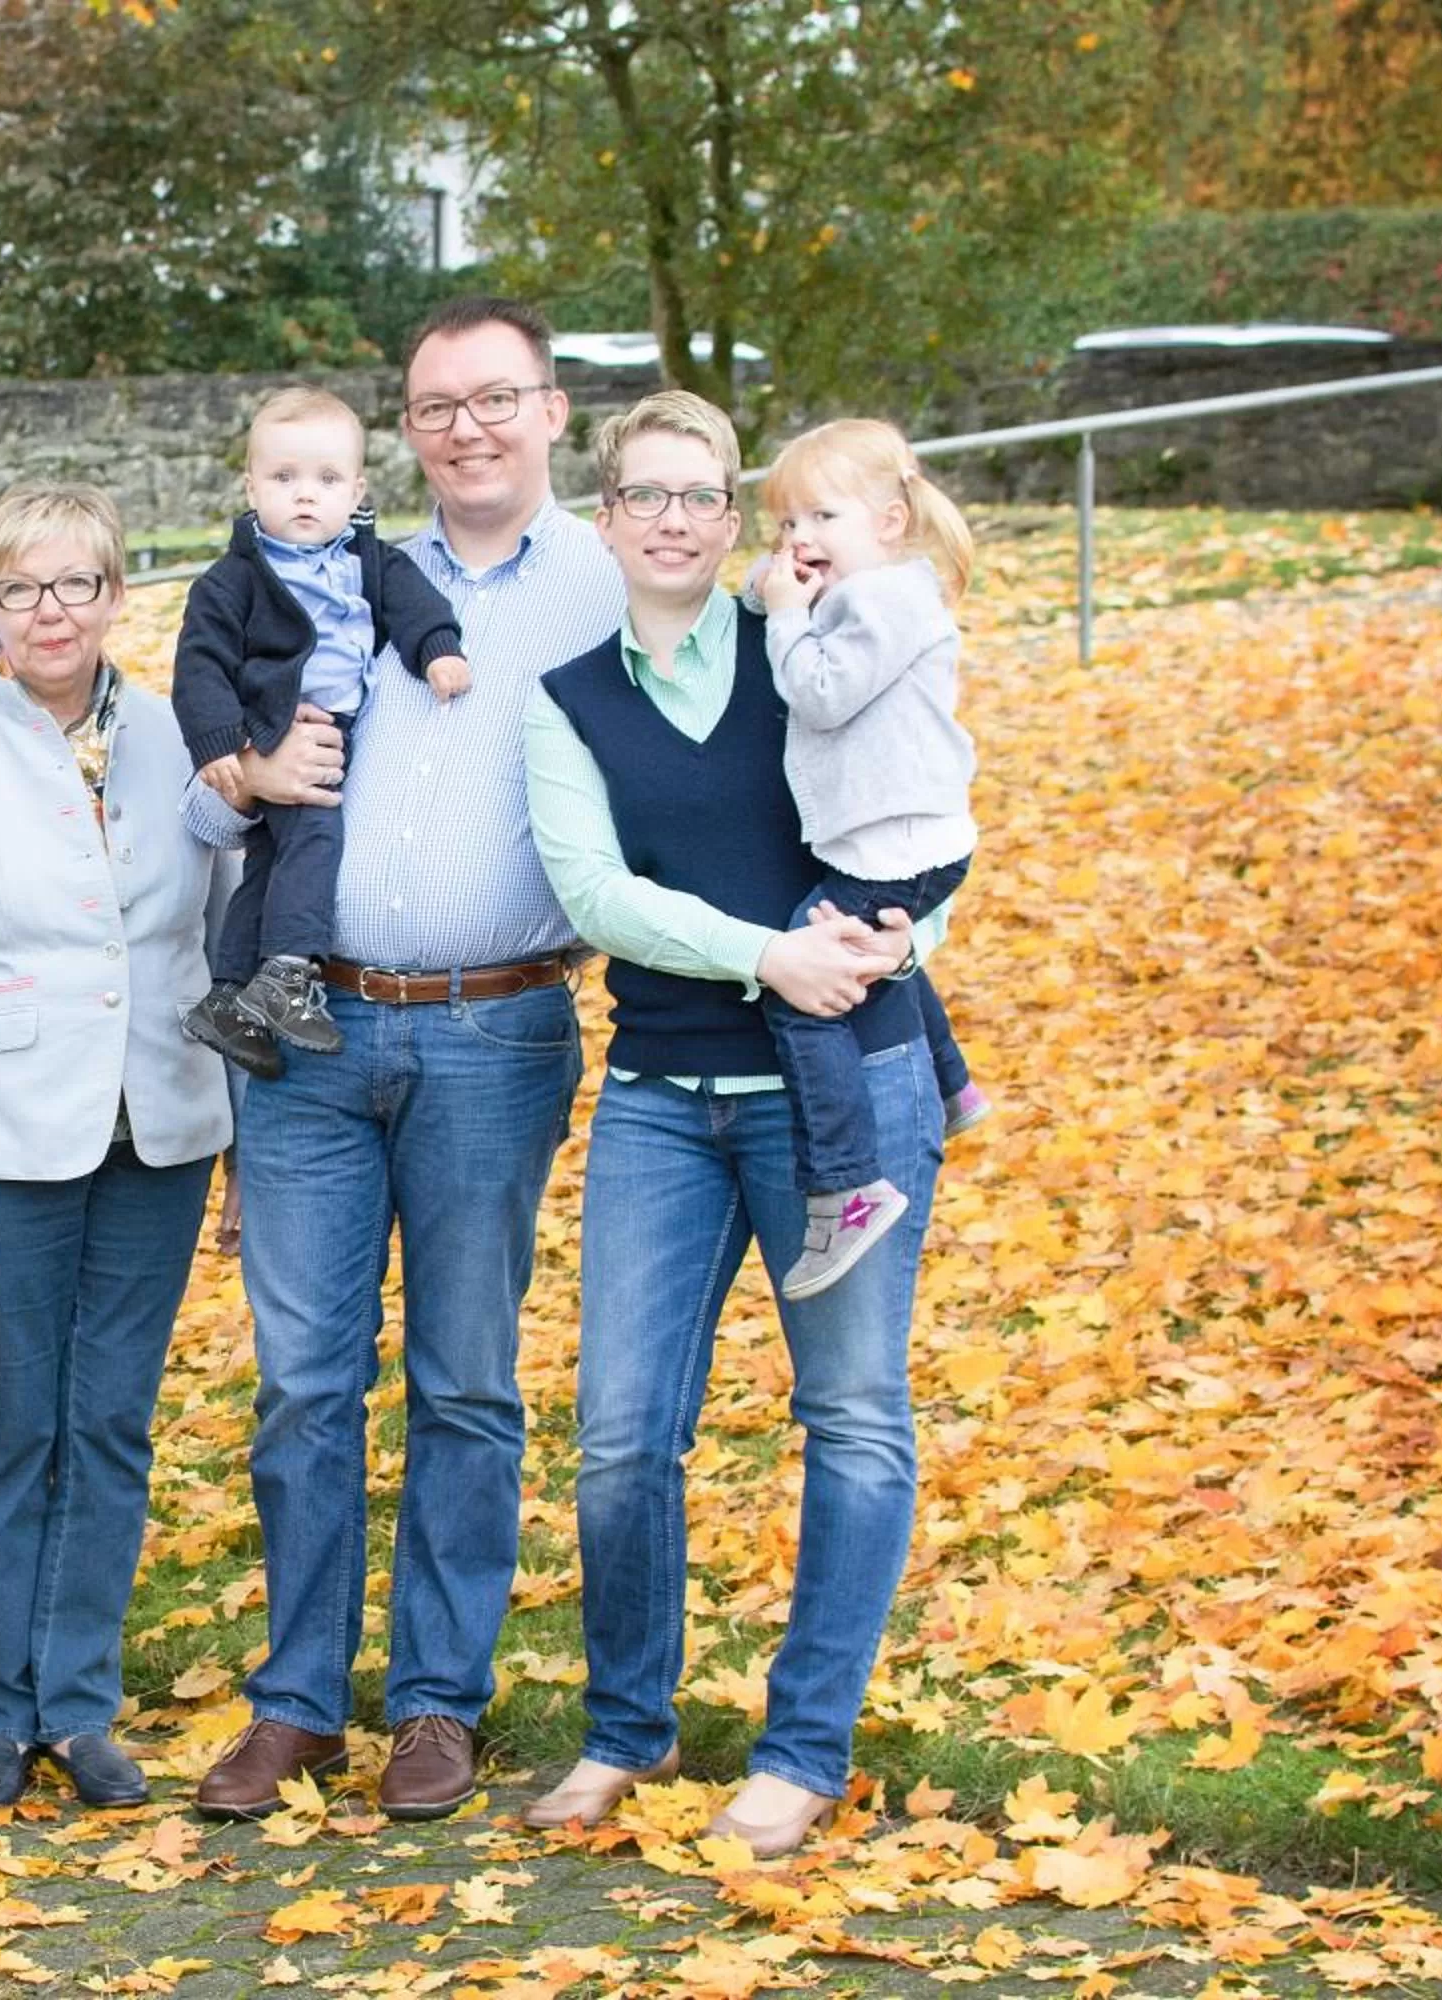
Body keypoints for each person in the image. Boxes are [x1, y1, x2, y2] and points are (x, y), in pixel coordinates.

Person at [181, 297, 624, 1824]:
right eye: (437, 406)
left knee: (465, 1381)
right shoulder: (324, 565)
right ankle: (298, 1701)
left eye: (496, 398)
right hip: (307, 1026)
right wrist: (237, 773)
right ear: (404, 432)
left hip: (496, 1027)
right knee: (304, 1382)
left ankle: (437, 1701)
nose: (467, 427)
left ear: (553, 411)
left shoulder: (608, 580)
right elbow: (199, 790)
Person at [520, 389, 936, 1862]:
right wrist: (766, 952)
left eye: (704, 494)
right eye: (648, 495)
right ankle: (627, 1728)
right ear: (608, 517)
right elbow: (596, 896)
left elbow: (921, 804)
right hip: (664, 1102)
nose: (677, 519)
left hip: (845, 1090)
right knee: (624, 1438)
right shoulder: (569, 695)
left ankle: (804, 1747)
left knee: (854, 1422)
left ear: (736, 514)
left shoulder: (815, 652)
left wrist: (888, 931)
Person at [0, 482, 236, 1813]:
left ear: (119, 594)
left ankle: (82, 1705)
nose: (52, 611)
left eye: (77, 584)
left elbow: (222, 931)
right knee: (9, 1429)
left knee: (111, 1424)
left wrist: (244, 1127)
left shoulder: (185, 738)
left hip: (162, 1124)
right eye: (24, 588)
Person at [750, 418, 987, 1299]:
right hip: (911, 838)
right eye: (786, 524)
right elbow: (779, 595)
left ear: (889, 521)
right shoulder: (876, 589)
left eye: (822, 519)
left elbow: (821, 692)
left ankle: (846, 1184)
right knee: (876, 953)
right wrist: (780, 585)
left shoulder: (884, 602)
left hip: (895, 844)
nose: (801, 541)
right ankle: (952, 1084)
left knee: (803, 981)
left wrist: (783, 614)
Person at [175, 386, 472, 1068]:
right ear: (251, 485)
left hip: (336, 721)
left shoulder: (367, 560)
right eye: (283, 478)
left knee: (272, 864)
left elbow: (413, 604)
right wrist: (222, 744)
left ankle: (227, 994)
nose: (305, 496)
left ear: (357, 488)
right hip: (277, 726)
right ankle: (287, 971)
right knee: (316, 835)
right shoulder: (234, 580)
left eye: (327, 480)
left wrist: (439, 650)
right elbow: (200, 664)